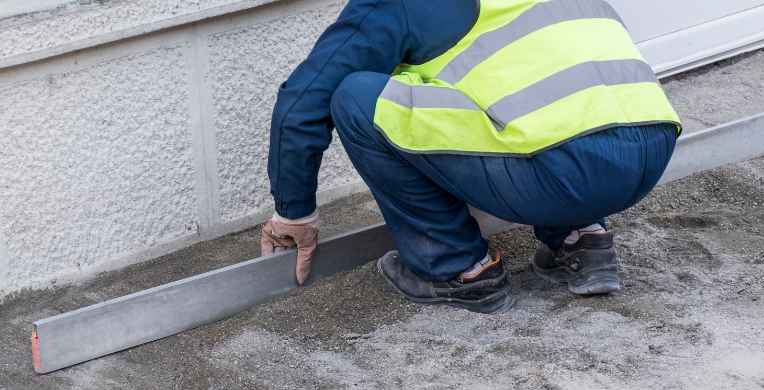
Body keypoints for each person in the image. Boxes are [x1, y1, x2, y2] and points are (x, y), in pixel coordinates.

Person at [260, 0, 681, 313]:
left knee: (356, 98)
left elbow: (302, 103)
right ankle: (582, 238)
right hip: (654, 148)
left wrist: (294, 214)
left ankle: (459, 268)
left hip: (562, 173)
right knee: (517, 104)